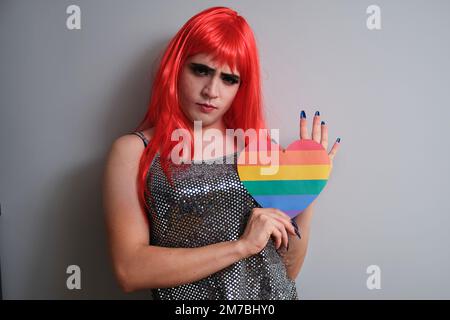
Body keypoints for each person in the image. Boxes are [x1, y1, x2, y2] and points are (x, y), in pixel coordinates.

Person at [102, 6, 340, 300]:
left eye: (229, 79)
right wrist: (241, 246)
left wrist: (308, 186)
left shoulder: (260, 151)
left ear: (242, 87)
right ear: (176, 67)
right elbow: (129, 271)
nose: (212, 91)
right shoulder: (134, 152)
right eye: (201, 70)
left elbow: (288, 270)